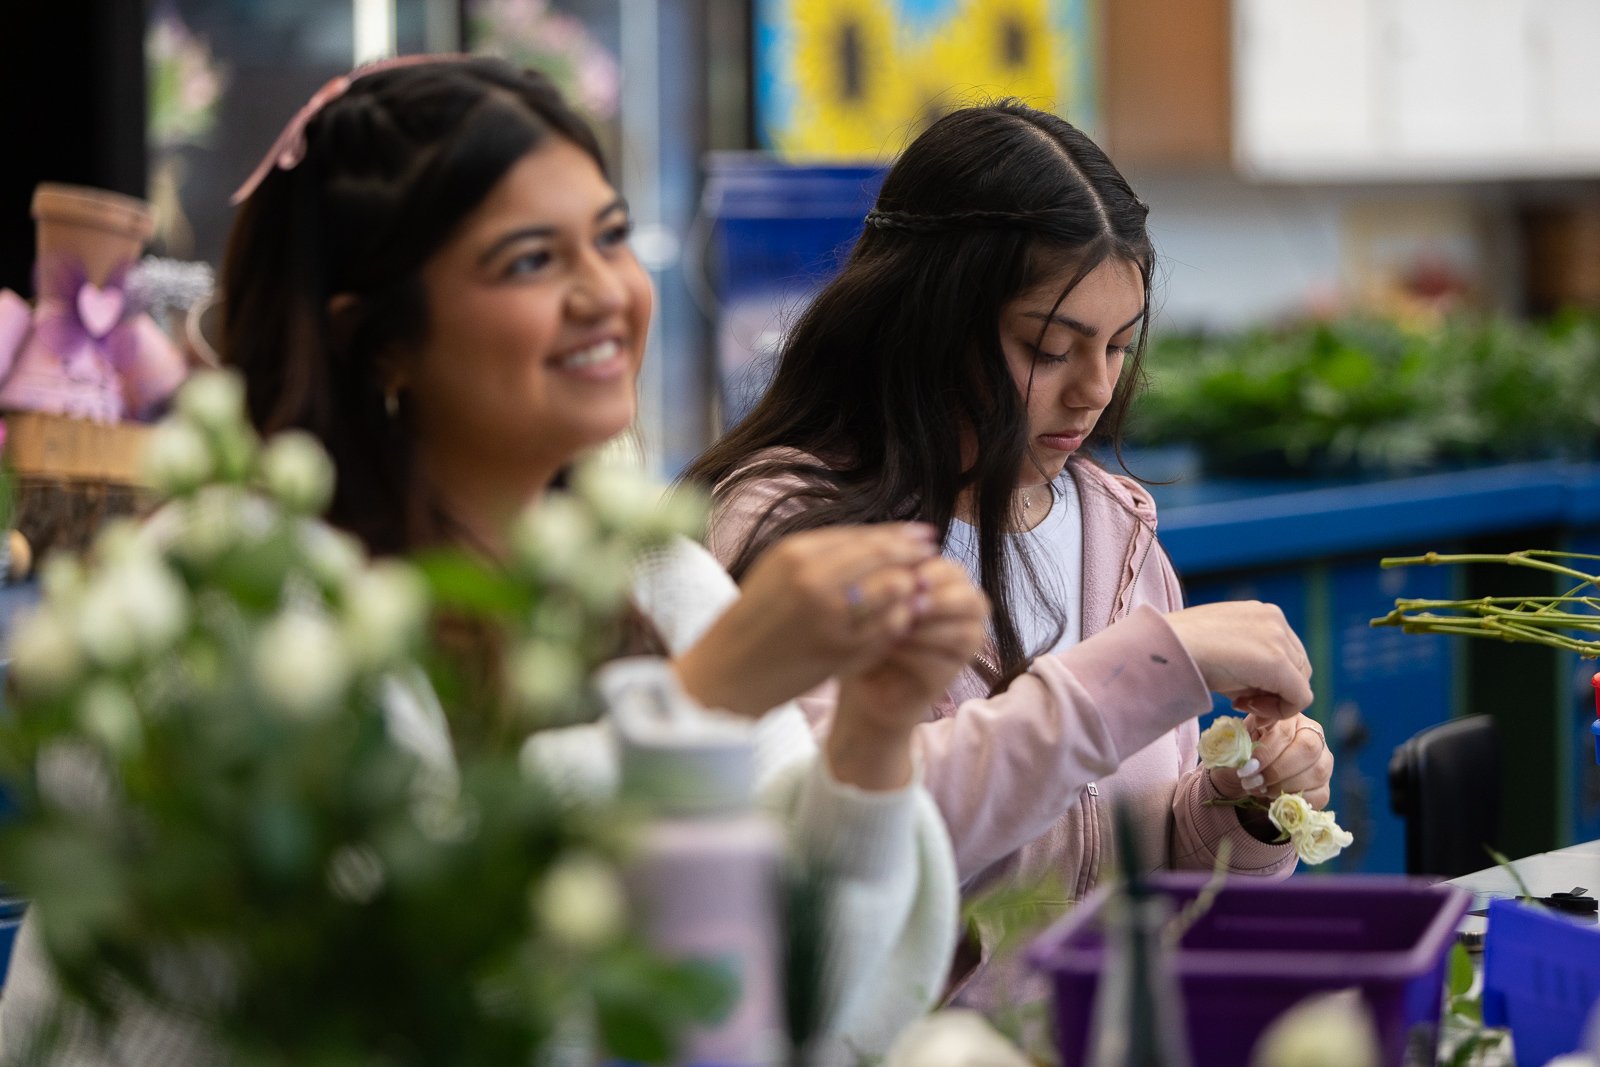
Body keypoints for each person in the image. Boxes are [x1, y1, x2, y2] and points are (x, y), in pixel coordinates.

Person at [0, 57, 989, 1064]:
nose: (604, 293)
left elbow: (787, 997)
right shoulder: (226, 592)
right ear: (376, 337)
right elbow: (382, 977)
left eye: (609, 237)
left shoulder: (653, 576)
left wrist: (870, 735)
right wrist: (702, 701)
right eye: (529, 261)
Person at [688, 101, 1335, 1011]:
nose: (1096, 389)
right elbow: (852, 846)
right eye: (1048, 347)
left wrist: (1238, 810)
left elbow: (1113, 866)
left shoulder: (1114, 529)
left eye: (1117, 345)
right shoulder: (794, 534)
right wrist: (1150, 667)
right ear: (926, 319)